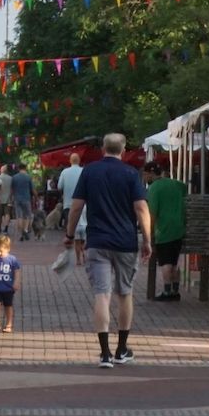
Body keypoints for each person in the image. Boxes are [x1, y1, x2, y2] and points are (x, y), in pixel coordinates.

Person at [64, 133, 152, 370]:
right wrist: (147, 239)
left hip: (97, 241)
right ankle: (122, 349)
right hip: (125, 242)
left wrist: (70, 236)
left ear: (103, 148)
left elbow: (76, 207)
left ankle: (104, 353)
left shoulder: (89, 172)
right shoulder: (131, 174)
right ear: (123, 150)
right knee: (125, 293)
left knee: (102, 295)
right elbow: (141, 208)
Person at [144, 161, 187, 301]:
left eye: (145, 174)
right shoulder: (177, 184)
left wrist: (149, 234)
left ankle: (167, 292)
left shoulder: (154, 188)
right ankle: (176, 290)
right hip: (179, 228)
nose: (144, 177)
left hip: (163, 229)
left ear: (151, 173)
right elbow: (186, 189)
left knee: (165, 263)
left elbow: (152, 214)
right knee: (175, 262)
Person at [0, 234, 21, 332]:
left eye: (1, 251)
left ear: (7, 249)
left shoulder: (12, 260)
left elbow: (17, 271)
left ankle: (9, 324)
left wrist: (16, 281)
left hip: (8, 288)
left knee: (8, 306)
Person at [57, 152, 87, 264]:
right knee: (84, 230)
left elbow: (59, 186)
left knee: (71, 231)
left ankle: (75, 257)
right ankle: (83, 253)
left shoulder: (65, 172)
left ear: (70, 161)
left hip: (68, 205)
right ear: (79, 161)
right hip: (83, 205)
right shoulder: (84, 171)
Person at [9, 165, 35, 240]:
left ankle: (21, 233)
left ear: (18, 169)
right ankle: (25, 230)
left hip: (17, 199)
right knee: (26, 216)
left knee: (19, 216)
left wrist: (10, 198)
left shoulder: (14, 177)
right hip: (26, 198)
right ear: (25, 168)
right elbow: (32, 189)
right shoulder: (28, 177)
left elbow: (12, 189)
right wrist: (35, 197)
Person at [0, 164, 13, 235]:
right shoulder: (11, 178)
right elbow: (12, 189)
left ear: (1, 170)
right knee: (7, 214)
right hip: (8, 199)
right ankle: (6, 229)